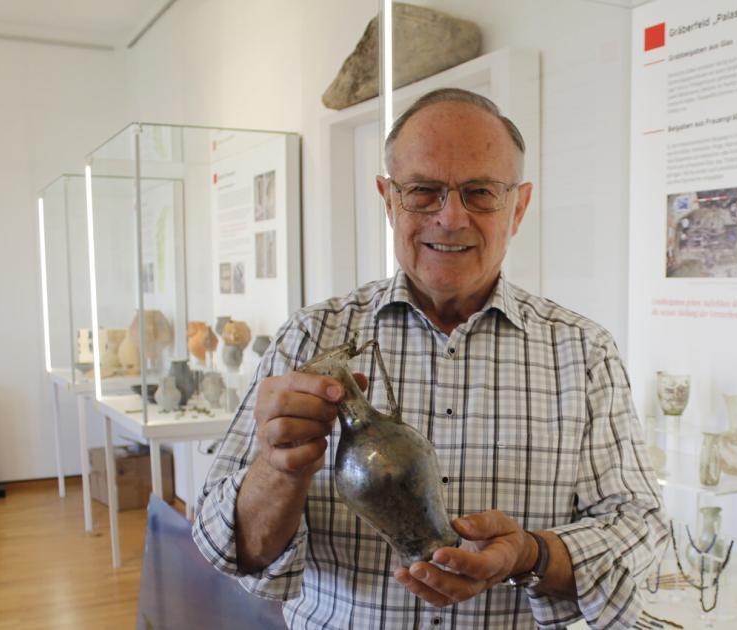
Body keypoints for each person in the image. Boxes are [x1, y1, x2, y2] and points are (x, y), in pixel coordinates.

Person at [193, 87, 667, 629]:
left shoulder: (582, 352)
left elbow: (640, 530)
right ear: (388, 199)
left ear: (518, 207)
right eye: (423, 191)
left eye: (480, 192)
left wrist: (531, 554)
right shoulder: (308, 340)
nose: (451, 217)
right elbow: (223, 545)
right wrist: (278, 469)